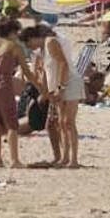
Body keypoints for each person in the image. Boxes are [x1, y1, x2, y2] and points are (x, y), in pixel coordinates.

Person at [0, 19, 40, 168]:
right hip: (4, 86)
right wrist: (39, 86)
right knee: (11, 124)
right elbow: (27, 72)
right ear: (12, 32)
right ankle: (14, 160)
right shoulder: (14, 47)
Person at [26, 24, 83, 169]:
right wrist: (46, 92)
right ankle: (65, 158)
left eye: (28, 43)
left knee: (68, 122)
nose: (29, 47)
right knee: (61, 124)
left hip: (68, 83)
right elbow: (46, 71)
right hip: (58, 85)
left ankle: (73, 159)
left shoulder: (51, 41)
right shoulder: (44, 49)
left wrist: (61, 88)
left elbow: (63, 64)